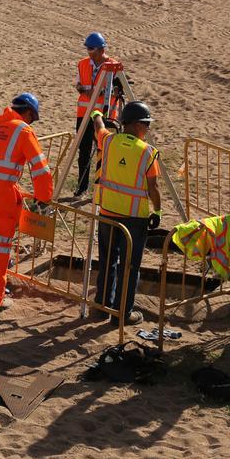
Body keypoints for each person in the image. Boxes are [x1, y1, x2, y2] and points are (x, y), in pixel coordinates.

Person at [0, 93, 54, 314]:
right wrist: (43, 199)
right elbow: (41, 170)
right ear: (27, 113)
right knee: (1, 247)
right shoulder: (23, 131)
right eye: (32, 118)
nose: (31, 122)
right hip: (0, 194)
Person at [88, 100, 162, 324]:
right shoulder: (148, 152)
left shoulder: (109, 141)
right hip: (134, 219)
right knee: (129, 267)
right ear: (138, 125)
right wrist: (157, 211)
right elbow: (153, 188)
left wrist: (96, 114)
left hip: (108, 212)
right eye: (147, 125)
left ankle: (102, 307)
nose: (148, 129)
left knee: (108, 261)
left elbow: (99, 127)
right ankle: (122, 314)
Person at [73, 32, 122, 198]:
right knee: (84, 150)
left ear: (102, 50)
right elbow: (79, 85)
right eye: (87, 49)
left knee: (104, 151)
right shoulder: (82, 64)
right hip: (84, 113)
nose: (89, 53)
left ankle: (100, 190)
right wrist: (87, 92)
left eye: (92, 49)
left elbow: (118, 90)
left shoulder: (113, 66)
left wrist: (99, 92)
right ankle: (82, 188)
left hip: (102, 116)